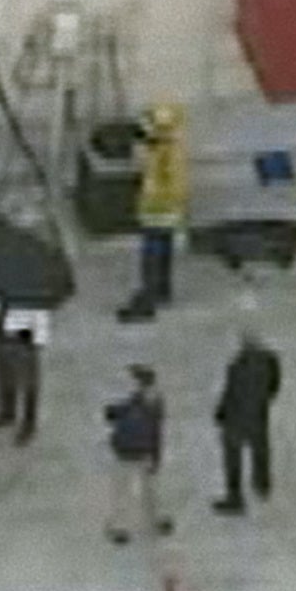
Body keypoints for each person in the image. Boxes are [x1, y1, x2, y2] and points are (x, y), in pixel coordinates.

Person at [119, 103, 187, 321]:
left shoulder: (164, 153)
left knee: (153, 253)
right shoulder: (168, 149)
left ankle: (150, 294)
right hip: (165, 210)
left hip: (157, 211)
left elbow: (167, 184)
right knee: (162, 251)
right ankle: (161, 291)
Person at [212, 331, 282, 514]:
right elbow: (275, 384)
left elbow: (229, 394)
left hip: (236, 419)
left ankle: (235, 497)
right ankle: (262, 485)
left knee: (232, 459)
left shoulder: (236, 367)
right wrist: (265, 400)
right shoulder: (270, 360)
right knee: (261, 451)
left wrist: (220, 413)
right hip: (259, 416)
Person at [104, 364, 173, 543]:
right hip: (142, 451)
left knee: (123, 490)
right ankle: (156, 521)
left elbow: (119, 414)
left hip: (127, 451)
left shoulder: (138, 403)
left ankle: (120, 526)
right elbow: (157, 431)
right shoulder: (147, 402)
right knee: (149, 490)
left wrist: (112, 414)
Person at [0, 298, 43, 445]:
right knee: (4, 369)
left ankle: (29, 422)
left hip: (25, 325)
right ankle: (7, 412)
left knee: (28, 377)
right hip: (2, 320)